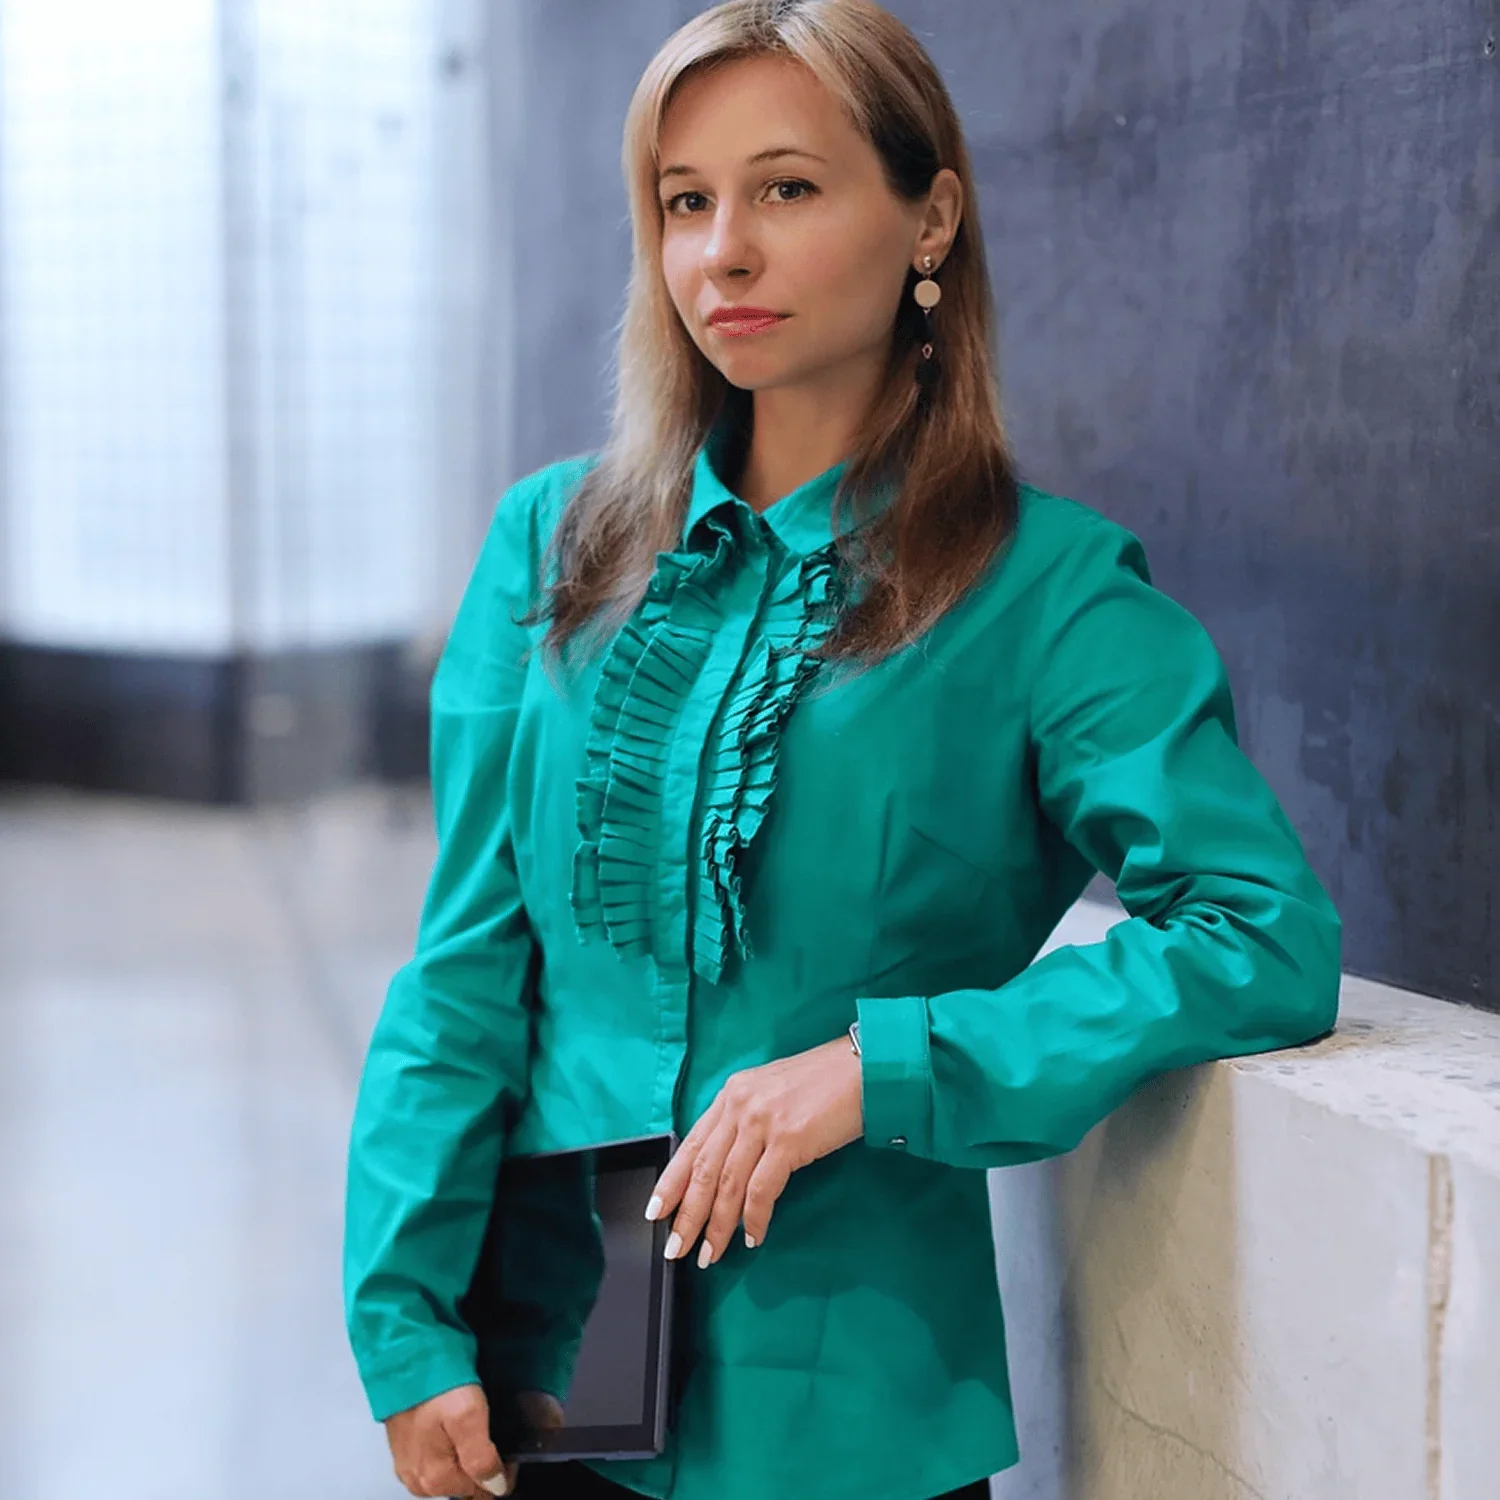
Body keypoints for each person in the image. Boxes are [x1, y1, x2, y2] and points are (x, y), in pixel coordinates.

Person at [342, 2, 1343, 1497]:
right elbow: (468, 964)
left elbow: (1260, 931)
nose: (722, 254)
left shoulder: (1051, 595)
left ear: (928, 215)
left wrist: (885, 1067)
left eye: (787, 189)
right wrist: (404, 1316)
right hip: (546, 1374)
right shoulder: (547, 546)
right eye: (687, 202)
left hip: (854, 1414)